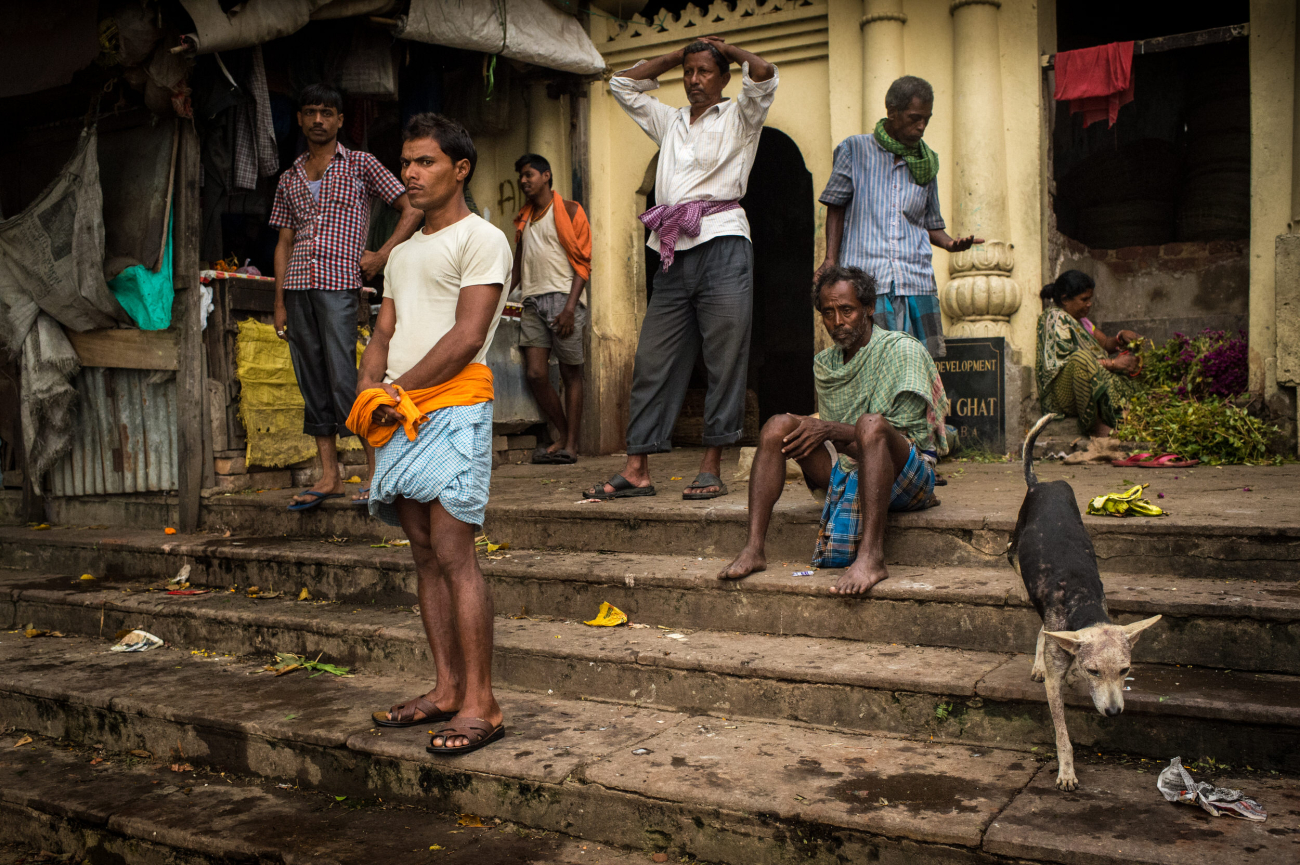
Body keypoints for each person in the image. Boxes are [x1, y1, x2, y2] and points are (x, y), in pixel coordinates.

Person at [347, 113, 510, 755]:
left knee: (453, 549)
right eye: (407, 163)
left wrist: (395, 392)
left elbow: (468, 335)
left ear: (460, 168)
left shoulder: (483, 238)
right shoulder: (405, 252)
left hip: (452, 405)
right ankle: (445, 691)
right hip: (397, 410)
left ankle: (482, 705)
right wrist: (368, 395)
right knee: (421, 549)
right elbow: (383, 331)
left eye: (425, 163)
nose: (410, 174)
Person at [585, 35, 777, 501]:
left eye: (704, 72)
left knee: (723, 358)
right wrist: (676, 55)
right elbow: (621, 86)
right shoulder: (669, 121)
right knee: (653, 358)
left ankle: (711, 464)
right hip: (674, 249)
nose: (693, 80)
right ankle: (637, 469)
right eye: (688, 72)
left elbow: (766, 74)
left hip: (725, 242)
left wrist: (726, 50)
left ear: (724, 77)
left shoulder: (741, 115)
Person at [717, 266, 949, 595]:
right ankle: (754, 548)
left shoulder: (902, 350)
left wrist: (827, 429)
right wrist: (824, 432)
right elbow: (844, 446)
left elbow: (903, 437)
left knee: (871, 425)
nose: (837, 322)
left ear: (869, 308)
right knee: (776, 426)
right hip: (852, 468)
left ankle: (872, 558)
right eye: (828, 312)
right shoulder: (826, 364)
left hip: (906, 475)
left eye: (847, 310)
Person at [270, 83, 422, 511]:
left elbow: (411, 206)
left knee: (346, 379)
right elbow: (284, 241)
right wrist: (279, 300)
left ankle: (376, 473)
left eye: (326, 112)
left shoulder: (360, 164)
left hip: (339, 284)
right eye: (310, 112)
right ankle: (330, 475)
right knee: (311, 380)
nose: (318, 119)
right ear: (300, 119)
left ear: (339, 120)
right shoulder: (289, 177)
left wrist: (382, 254)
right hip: (298, 286)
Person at [815, 76, 981, 359]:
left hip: (915, 280)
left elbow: (931, 224)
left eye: (926, 120)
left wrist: (952, 245)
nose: (921, 127)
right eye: (915, 118)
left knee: (919, 363)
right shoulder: (854, 150)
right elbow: (836, 205)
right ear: (892, 111)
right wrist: (830, 259)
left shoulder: (927, 163)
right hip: (867, 279)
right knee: (872, 363)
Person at [511, 153, 592, 464]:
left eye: (529, 174)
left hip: (563, 301)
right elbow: (518, 266)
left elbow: (584, 263)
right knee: (535, 374)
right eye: (521, 176)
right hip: (531, 301)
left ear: (546, 176)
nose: (523, 181)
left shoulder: (571, 210)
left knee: (572, 373)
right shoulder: (524, 218)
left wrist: (571, 307)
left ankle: (571, 444)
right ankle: (563, 433)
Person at [1036, 270, 1142, 436]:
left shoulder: (1081, 321)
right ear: (1064, 299)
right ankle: (1095, 426)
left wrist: (1121, 337)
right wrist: (1113, 364)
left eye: (1090, 299)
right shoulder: (1055, 318)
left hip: (1089, 376)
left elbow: (1105, 343)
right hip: (1064, 393)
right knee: (1079, 359)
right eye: (1084, 299)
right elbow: (1066, 363)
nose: (1089, 304)